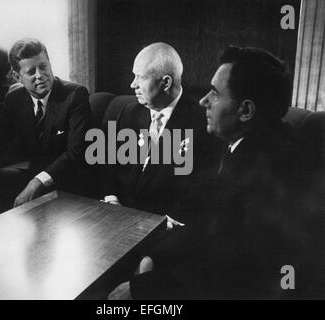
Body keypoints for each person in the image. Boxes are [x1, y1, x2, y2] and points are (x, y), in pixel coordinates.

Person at [109, 46, 324, 299]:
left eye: (215, 93)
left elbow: (233, 273)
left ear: (245, 111)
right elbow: (207, 226)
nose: (203, 101)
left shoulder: (273, 171)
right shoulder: (249, 146)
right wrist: (154, 255)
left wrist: (141, 289)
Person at [102, 42, 219, 226]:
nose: (132, 84)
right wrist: (112, 198)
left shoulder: (203, 123)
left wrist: (165, 223)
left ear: (165, 82)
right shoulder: (129, 113)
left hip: (164, 227)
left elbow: (202, 189)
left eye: (140, 78)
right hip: (118, 216)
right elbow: (110, 164)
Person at [0, 38, 91, 214]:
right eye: (31, 71)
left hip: (69, 180)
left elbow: (75, 152)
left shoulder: (75, 95)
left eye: (43, 66)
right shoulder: (15, 98)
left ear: (50, 64)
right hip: (32, 175)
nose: (40, 75)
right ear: (17, 76)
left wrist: (36, 182)